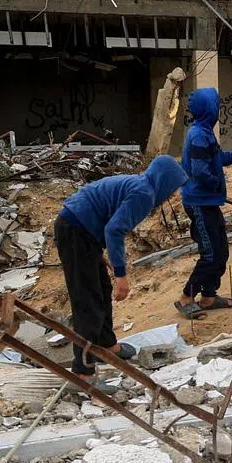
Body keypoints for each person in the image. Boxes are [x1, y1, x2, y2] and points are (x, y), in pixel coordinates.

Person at [54, 154, 186, 375]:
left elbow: (107, 215)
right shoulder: (144, 193)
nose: (171, 195)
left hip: (83, 231)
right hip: (76, 230)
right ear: (165, 180)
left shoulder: (140, 185)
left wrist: (98, 251)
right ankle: (82, 371)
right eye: (172, 188)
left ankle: (107, 344)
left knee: (101, 289)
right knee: (88, 300)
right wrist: (121, 275)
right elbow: (114, 230)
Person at [175, 87, 232, 319]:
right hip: (199, 202)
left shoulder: (205, 132)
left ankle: (208, 296)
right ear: (209, 108)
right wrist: (217, 183)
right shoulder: (198, 135)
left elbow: (219, 159)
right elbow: (200, 171)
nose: (219, 109)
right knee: (210, 254)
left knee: (221, 251)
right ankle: (187, 297)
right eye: (216, 105)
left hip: (208, 202)